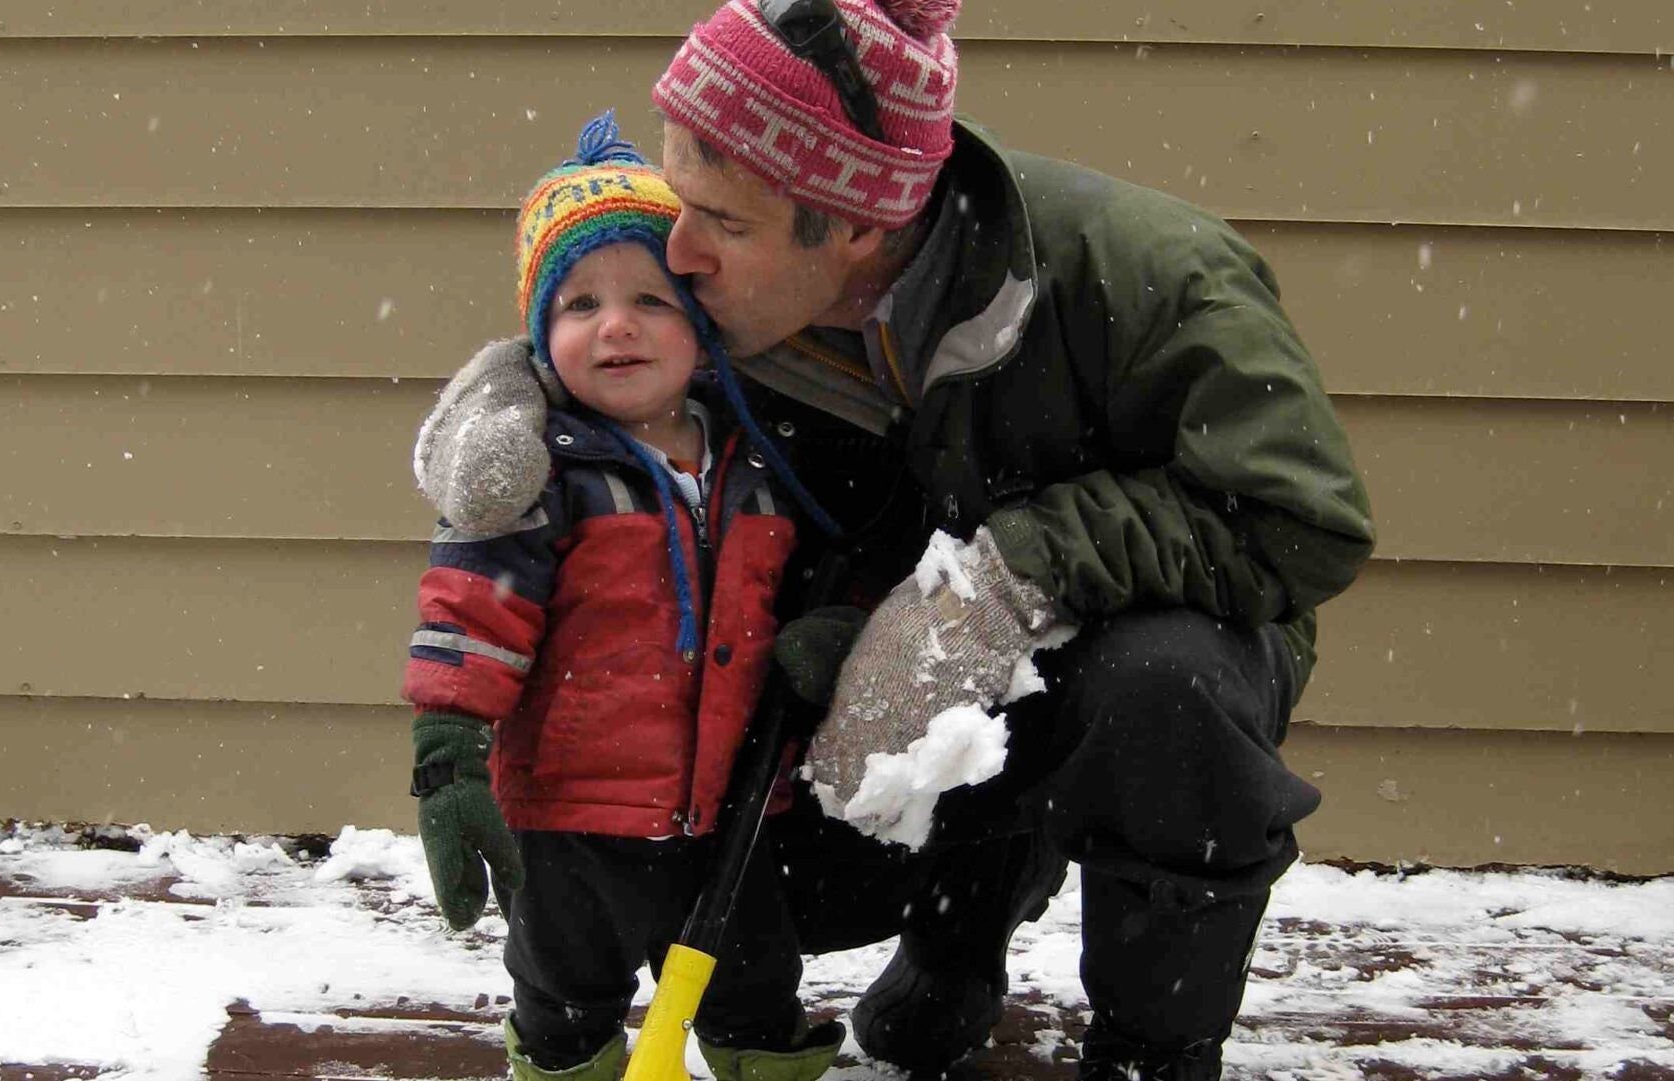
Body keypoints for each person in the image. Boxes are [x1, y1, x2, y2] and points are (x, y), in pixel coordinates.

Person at [417, 0, 1378, 1076]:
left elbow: (1303, 521)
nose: (676, 253)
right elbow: (582, 353)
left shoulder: (1147, 275)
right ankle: (953, 946)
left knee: (1165, 688)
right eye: (679, 200)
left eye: (721, 224)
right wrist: (489, 405)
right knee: (760, 805)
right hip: (870, 643)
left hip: (1130, 648)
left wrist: (1007, 580)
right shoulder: (747, 294)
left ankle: (1153, 1047)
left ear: (858, 228)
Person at [402, 112, 846, 1081]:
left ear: (701, 328)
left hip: (728, 806)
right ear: (538, 335)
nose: (616, 325)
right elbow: (472, 612)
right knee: (565, 982)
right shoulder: (543, 478)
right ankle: (568, 1060)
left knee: (753, 978)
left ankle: (758, 1055)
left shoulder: (757, 467)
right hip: (569, 811)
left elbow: (805, 589)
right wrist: (448, 753)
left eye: (651, 297)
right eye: (579, 304)